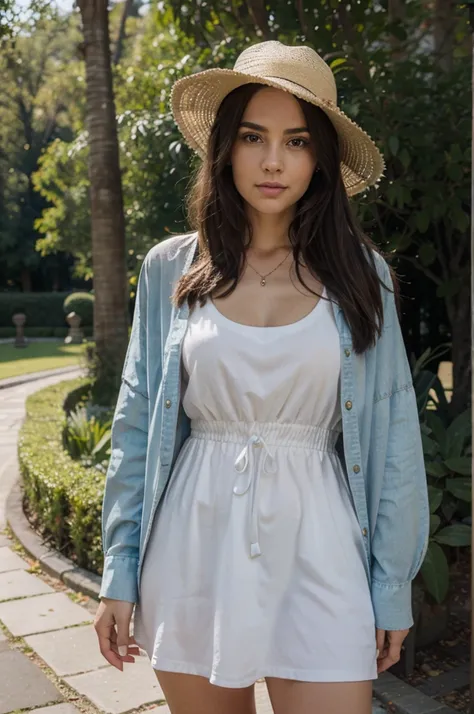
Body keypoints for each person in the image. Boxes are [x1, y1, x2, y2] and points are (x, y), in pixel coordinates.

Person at [93, 41, 429, 714]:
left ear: (320, 160)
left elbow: (394, 438)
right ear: (225, 147)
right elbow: (136, 427)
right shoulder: (171, 269)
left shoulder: (364, 278)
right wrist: (117, 576)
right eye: (254, 137)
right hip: (194, 543)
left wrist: (391, 586)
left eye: (296, 141)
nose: (273, 161)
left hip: (321, 545)